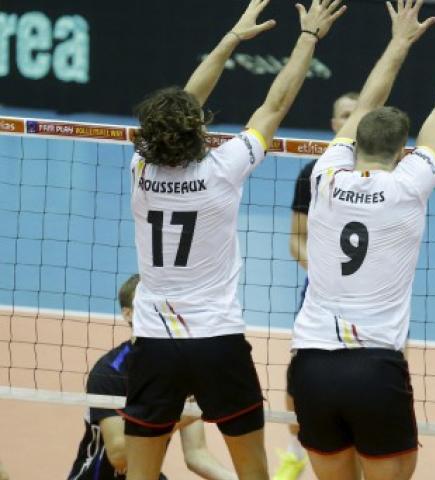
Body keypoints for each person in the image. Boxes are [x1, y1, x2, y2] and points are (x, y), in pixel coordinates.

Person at [286, 1, 435, 479]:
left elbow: (366, 104)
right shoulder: (409, 184)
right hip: (375, 367)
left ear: (353, 140)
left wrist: (398, 42)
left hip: (310, 363)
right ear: (402, 150)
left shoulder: (325, 175)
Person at [122, 0, 346, 478]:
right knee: (253, 471)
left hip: (155, 342)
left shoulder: (141, 167)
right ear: (198, 128)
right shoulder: (223, 168)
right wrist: (308, 37)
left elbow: (183, 105)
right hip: (217, 342)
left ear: (151, 133)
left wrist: (229, 39)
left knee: (139, 474)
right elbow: (275, 105)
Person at [68, 275, 236, 480]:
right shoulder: (110, 372)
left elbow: (197, 454)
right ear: (128, 314)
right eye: (148, 306)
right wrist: (181, 415)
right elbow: (120, 457)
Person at [277, 90, 359, 480]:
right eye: (343, 115)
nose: (349, 121)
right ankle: (295, 454)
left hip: (370, 300)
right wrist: (326, 272)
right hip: (319, 295)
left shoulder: (387, 176)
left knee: (365, 379)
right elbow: (296, 238)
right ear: (333, 124)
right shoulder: (312, 173)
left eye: (357, 114)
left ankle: (355, 454)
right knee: (299, 380)